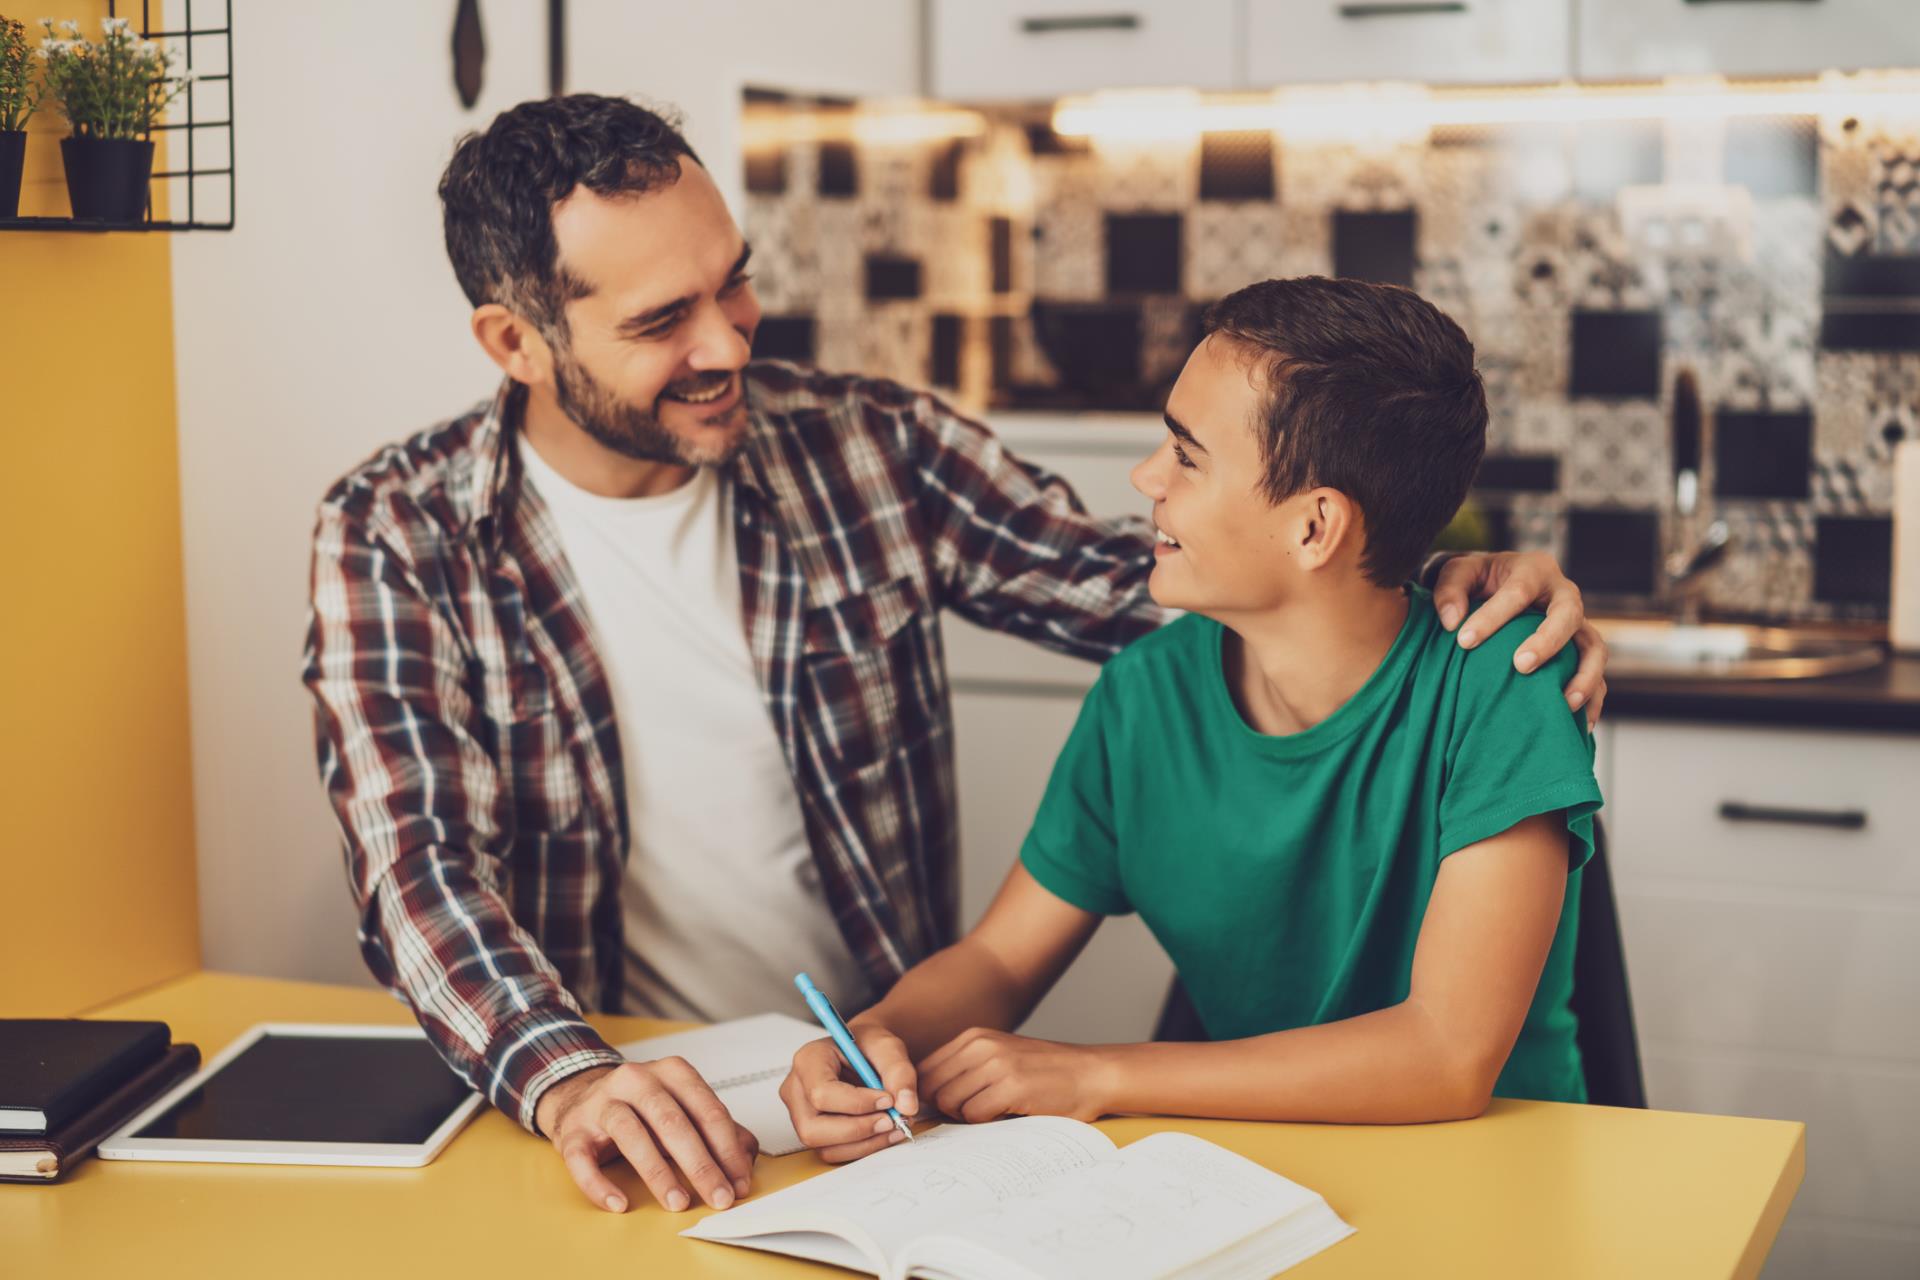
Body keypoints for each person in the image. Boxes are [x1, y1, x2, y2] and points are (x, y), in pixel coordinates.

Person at [302, 94, 1608, 1215]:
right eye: (663, 321)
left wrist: (1434, 567)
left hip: (873, 1095)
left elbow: (1192, 586)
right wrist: (573, 1074)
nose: (730, 341)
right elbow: (418, 868)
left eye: (734, 281)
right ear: (515, 342)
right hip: (627, 1084)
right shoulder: (397, 534)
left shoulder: (864, 446)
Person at [780, 276, 1604, 1165]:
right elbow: (1000, 962)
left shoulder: (1501, 681)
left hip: (1495, 1178)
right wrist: (872, 1038)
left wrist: (1098, 1073)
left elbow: (1446, 1059)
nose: (1145, 479)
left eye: (1186, 456)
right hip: (1259, 1173)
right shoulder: (1143, 697)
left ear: (1316, 525)